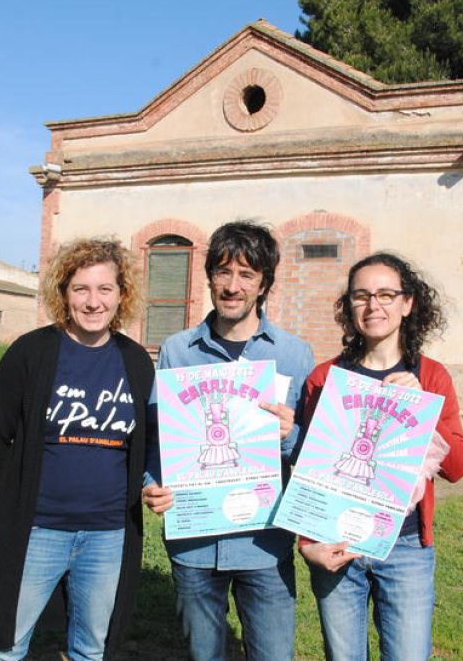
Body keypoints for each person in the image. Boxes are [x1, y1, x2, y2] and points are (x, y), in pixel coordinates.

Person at [141, 221, 315, 661]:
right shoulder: (177, 351)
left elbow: (315, 456)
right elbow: (157, 437)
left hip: (265, 543)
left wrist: (287, 435)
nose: (232, 286)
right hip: (194, 542)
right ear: (210, 278)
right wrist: (151, 483)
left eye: (246, 275)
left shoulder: (294, 354)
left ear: (263, 284)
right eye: (223, 272)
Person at [0, 238, 154, 661]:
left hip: (108, 534)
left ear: (121, 294)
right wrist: (20, 502)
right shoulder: (30, 353)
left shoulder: (136, 362)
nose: (94, 302)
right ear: (64, 293)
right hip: (38, 530)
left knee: (92, 650)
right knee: (5, 647)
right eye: (81, 289)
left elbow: (145, 445)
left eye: (105, 289)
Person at [297, 252, 463, 661]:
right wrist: (309, 544)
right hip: (336, 540)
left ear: (408, 303)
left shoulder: (432, 377)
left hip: (405, 545)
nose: (373, 305)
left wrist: (422, 410)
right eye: (361, 295)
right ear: (349, 306)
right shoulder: (324, 380)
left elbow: (458, 468)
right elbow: (308, 471)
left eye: (386, 294)